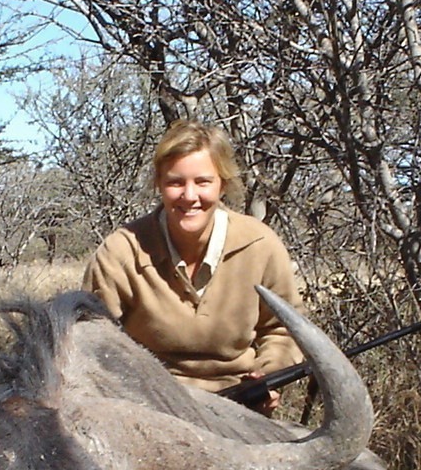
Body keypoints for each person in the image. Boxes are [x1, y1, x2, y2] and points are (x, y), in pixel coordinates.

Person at [83, 121, 303, 414]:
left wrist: (268, 377)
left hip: (241, 411)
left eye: (203, 182)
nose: (189, 196)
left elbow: (284, 331)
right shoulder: (121, 251)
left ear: (222, 184)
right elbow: (89, 342)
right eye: (175, 182)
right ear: (158, 184)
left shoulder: (260, 245)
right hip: (148, 409)